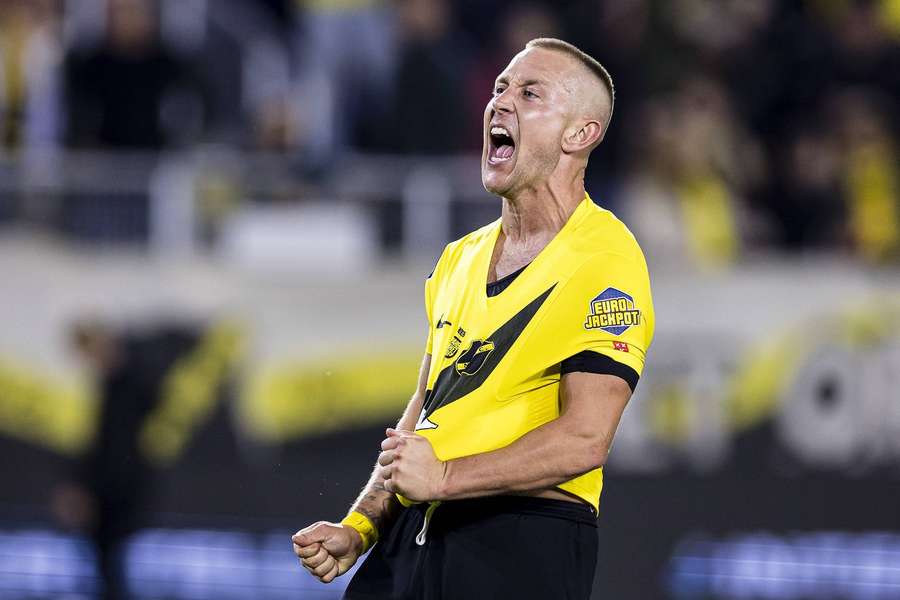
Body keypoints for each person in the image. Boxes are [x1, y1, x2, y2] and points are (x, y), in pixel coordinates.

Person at [292, 38, 655, 599]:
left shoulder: (606, 258)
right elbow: (425, 410)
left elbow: (584, 439)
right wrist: (362, 525)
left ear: (580, 134)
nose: (500, 102)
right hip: (417, 530)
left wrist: (444, 477)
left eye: (529, 93)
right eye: (499, 88)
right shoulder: (459, 257)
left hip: (521, 536)